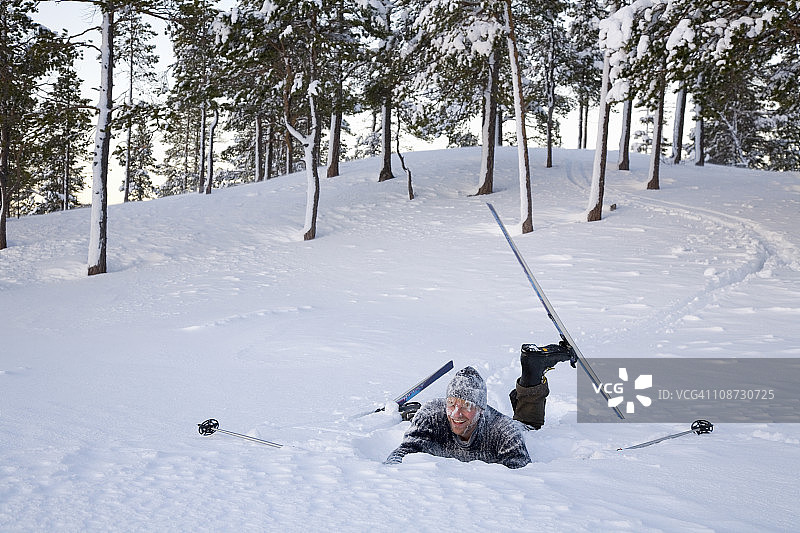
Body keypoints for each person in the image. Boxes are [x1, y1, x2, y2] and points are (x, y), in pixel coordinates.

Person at [384, 344, 574, 469]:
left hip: (508, 427)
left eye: (466, 405)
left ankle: (534, 369)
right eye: (451, 403)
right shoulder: (431, 414)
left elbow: (522, 476)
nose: (456, 412)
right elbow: (401, 454)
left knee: (529, 424)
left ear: (481, 409)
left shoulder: (505, 432)